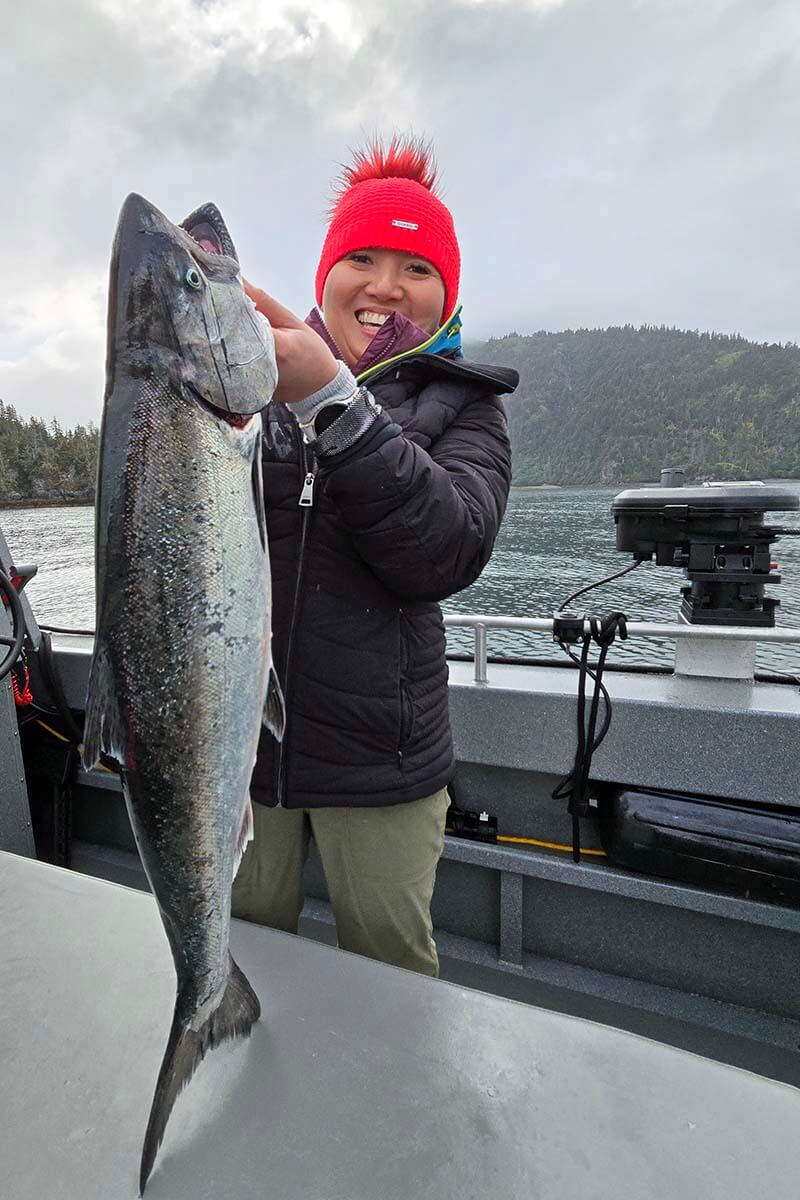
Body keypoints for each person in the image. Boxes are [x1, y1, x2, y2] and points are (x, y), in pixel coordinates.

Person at [231, 136, 518, 977]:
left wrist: (333, 399)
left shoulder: (469, 409)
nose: (385, 285)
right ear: (327, 274)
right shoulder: (255, 385)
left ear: (447, 292)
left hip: (385, 765)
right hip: (246, 752)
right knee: (244, 955)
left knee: (392, 973)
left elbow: (446, 550)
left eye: (416, 267)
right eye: (362, 256)